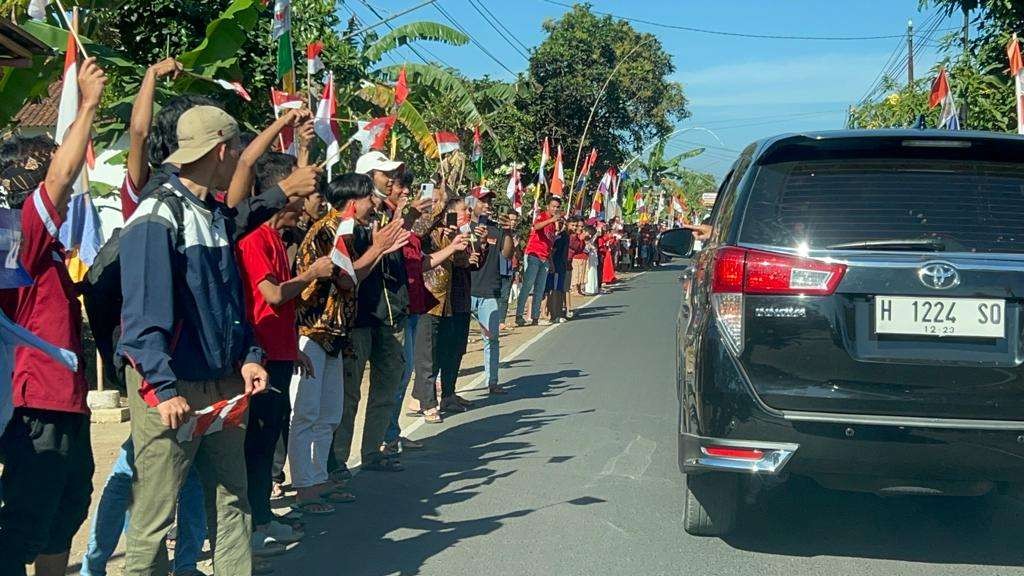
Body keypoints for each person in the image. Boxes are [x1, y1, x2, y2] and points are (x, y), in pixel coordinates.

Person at [118, 105, 303, 576]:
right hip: (172, 389)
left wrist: (249, 356)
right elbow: (141, 316)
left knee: (232, 502)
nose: (241, 157)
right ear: (222, 149)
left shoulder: (214, 215)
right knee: (154, 518)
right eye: (237, 148)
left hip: (224, 385)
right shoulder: (157, 214)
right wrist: (162, 388)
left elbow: (228, 305)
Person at [0, 57, 105, 576]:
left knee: (66, 509)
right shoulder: (21, 233)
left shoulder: (47, 246)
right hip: (34, 401)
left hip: (65, 401)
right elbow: (63, 177)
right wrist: (87, 105)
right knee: (28, 517)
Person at [233, 111, 327, 555]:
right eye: (298, 186)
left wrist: (294, 348)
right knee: (257, 444)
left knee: (271, 437)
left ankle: (264, 515)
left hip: (280, 353)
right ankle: (251, 525)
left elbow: (281, 306)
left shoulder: (277, 239)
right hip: (261, 360)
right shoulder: (254, 238)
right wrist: (312, 272)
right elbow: (270, 295)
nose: (307, 194)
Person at [289, 173, 407, 514]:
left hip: (337, 335)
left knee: (329, 413)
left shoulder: (350, 233)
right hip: (315, 332)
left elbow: (351, 279)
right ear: (353, 201)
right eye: (371, 198)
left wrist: (376, 248)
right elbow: (344, 277)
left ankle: (319, 477)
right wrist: (377, 248)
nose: (375, 205)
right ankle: (304, 487)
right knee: (308, 413)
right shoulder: (330, 230)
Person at [333, 152, 415, 475]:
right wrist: (378, 246)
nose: (393, 181)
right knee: (349, 394)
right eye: (386, 175)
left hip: (391, 315)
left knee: (387, 387)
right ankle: (337, 461)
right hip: (359, 319)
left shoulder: (391, 215)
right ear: (368, 177)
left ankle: (373, 450)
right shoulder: (349, 221)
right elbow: (346, 273)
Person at [411, 197, 477, 423]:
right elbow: (418, 234)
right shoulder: (429, 232)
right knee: (427, 355)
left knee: (450, 350)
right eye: (462, 211)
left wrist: (473, 249)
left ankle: (448, 395)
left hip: (451, 301)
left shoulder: (458, 234)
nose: (466, 214)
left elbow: (463, 262)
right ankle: (427, 402)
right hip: (430, 299)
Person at [469, 187, 514, 394]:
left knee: (491, 339)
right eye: (482, 201)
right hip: (464, 291)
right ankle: (442, 384)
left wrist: (508, 231)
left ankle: (492, 381)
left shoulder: (497, 230)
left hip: (489, 292)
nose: (487, 205)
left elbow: (507, 254)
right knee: (454, 342)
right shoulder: (462, 227)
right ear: (471, 203)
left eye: (489, 202)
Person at [515, 196, 562, 326]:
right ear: (548, 206)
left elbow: (549, 244)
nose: (555, 209)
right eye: (553, 206)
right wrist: (551, 219)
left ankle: (535, 317)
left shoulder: (553, 225)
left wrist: (550, 261)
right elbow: (536, 226)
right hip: (533, 255)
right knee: (527, 286)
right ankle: (519, 315)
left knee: (540, 289)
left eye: (558, 207)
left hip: (545, 258)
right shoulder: (542, 216)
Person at [584, 226, 600, 296]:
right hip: (589, 257)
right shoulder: (587, 241)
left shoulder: (591, 240)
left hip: (593, 257)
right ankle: (589, 289)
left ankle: (594, 288)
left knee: (593, 272)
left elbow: (594, 237)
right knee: (589, 272)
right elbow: (586, 249)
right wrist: (591, 246)